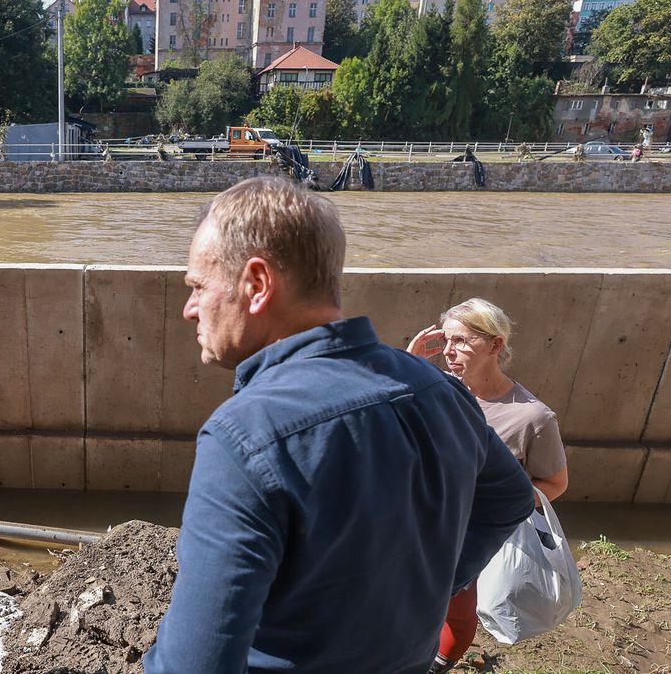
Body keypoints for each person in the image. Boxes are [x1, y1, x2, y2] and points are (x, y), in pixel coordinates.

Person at [143, 176, 535, 674]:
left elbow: (193, 666)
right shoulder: (441, 391)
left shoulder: (244, 438)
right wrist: (438, 581)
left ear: (257, 285)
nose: (189, 309)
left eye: (198, 286)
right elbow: (511, 498)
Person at [408, 298, 568, 673]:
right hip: (416, 519)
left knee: (457, 612)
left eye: (462, 341)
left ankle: (438, 663)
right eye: (445, 341)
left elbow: (555, 483)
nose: (449, 351)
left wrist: (499, 500)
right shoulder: (436, 387)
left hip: (469, 534)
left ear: (496, 346)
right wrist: (410, 362)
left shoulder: (532, 416)